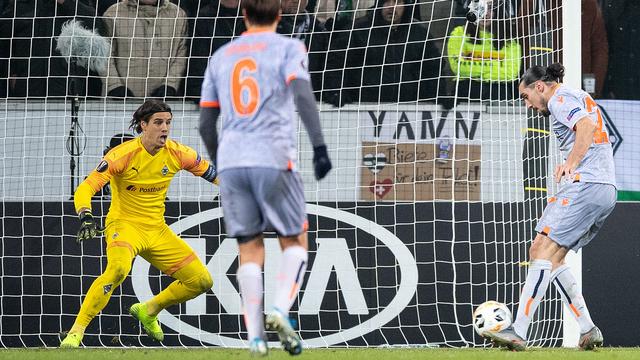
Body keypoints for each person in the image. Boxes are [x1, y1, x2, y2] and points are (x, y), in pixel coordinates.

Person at [198, 0, 332, 355]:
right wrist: (319, 146)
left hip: (231, 162)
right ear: (280, 15)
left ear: (243, 15)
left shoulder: (222, 55)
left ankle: (255, 339)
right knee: (295, 239)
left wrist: (221, 164)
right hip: (273, 157)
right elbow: (302, 95)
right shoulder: (289, 48)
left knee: (249, 248)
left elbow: (205, 122)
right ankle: (279, 310)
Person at [60, 99, 219, 348]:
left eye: (168, 122)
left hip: (156, 230)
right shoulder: (122, 154)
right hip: (124, 226)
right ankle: (75, 332)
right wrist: (86, 214)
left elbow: (215, 175)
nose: (164, 128)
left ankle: (149, 309)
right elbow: (86, 187)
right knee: (118, 270)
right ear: (143, 125)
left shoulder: (179, 153)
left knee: (201, 281)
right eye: (158, 123)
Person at [484, 63, 616, 351]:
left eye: (525, 96)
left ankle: (517, 330)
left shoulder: (558, 98)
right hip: (602, 187)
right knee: (549, 256)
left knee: (541, 250)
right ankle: (587, 329)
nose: (527, 104)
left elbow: (586, 125)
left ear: (539, 87)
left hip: (587, 183)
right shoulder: (570, 95)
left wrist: (571, 163)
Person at [323, 0, 443, 106]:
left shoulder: (419, 32)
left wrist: (440, 93)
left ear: (406, 5)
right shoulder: (358, 30)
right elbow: (336, 63)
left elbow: (434, 67)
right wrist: (335, 91)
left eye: (397, 2)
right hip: (365, 109)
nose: (392, 7)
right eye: (387, 2)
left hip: (408, 110)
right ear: (379, 4)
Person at [103, 0, 188, 98]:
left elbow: (181, 54)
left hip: (163, 102)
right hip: (119, 101)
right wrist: (114, 86)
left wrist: (170, 85)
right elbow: (105, 55)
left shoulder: (178, 14)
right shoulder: (113, 14)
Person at [446, 0, 522, 101]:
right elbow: (457, 67)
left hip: (498, 91)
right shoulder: (459, 33)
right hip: (466, 89)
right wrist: (495, 65)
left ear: (496, 12)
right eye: (480, 7)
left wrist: (473, 65)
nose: (485, 13)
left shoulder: (509, 40)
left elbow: (511, 72)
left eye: (489, 8)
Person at [185, 0, 245, 101]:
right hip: (214, 95)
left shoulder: (254, 17)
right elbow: (198, 62)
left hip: (247, 94)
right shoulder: (204, 17)